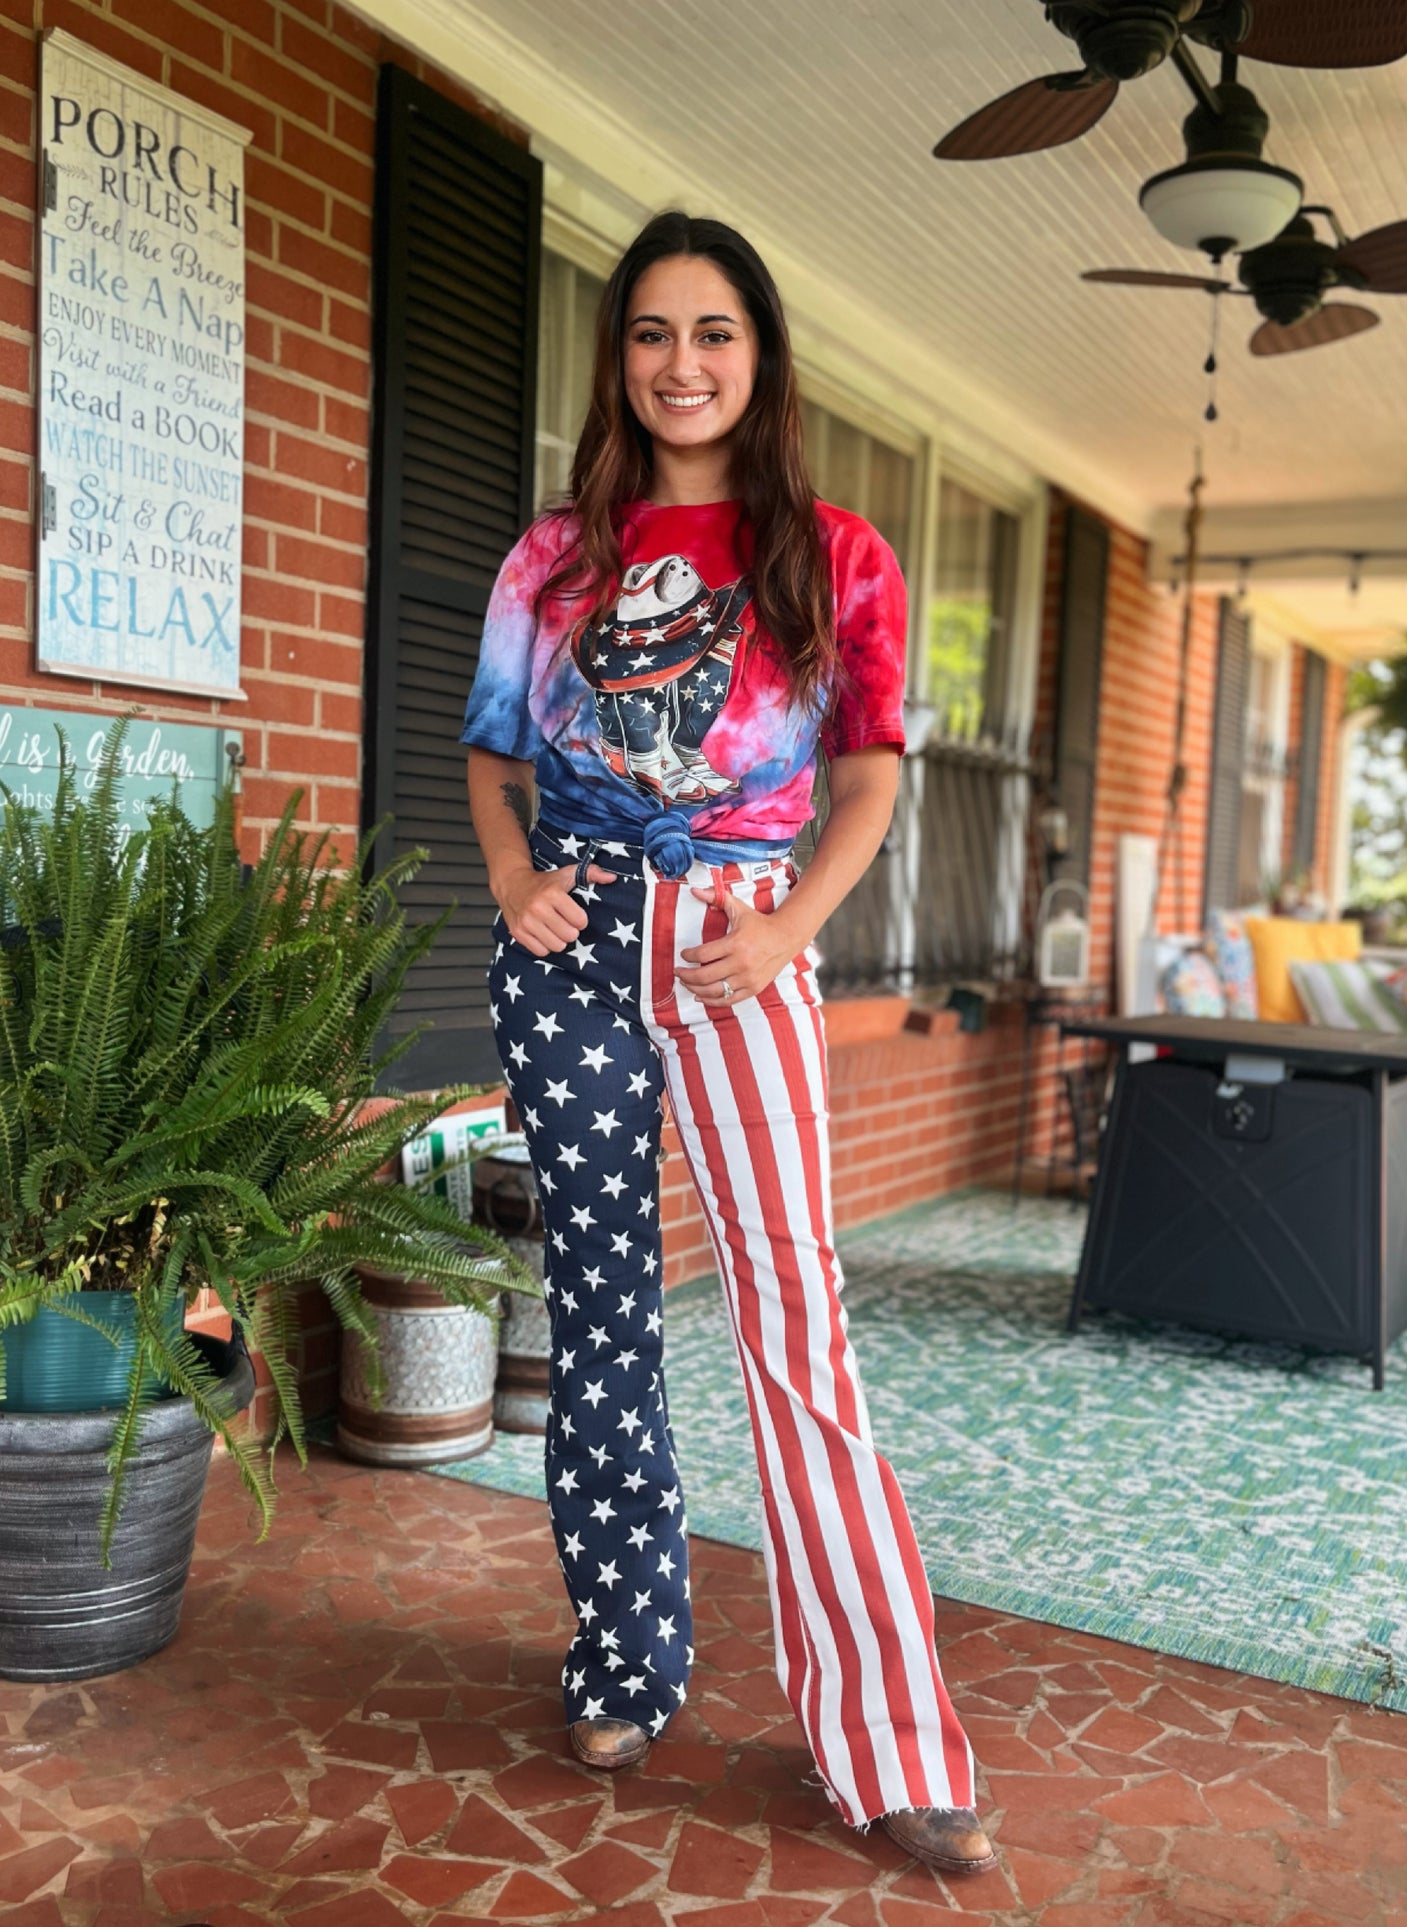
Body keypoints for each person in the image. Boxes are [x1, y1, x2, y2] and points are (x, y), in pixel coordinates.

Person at [460, 211, 994, 1877]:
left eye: (713, 333)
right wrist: (511, 879)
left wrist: (791, 933)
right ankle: (623, 1659)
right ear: (617, 359)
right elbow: (492, 754)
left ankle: (889, 1743)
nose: (679, 363)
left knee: (793, 1320)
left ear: (759, 359)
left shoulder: (834, 554)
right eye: (647, 334)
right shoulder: (552, 560)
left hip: (742, 947)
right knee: (602, 1315)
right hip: (575, 949)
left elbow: (870, 776)